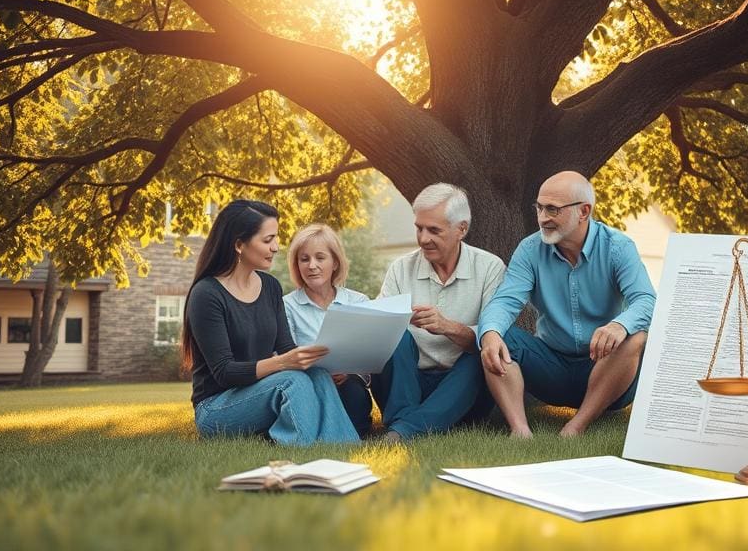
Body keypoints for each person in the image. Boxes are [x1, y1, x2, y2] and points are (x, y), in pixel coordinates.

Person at [478, 171, 656, 438]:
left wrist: (619, 325)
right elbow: (504, 301)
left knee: (635, 336)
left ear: (584, 211)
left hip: (608, 373)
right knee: (497, 336)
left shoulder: (618, 248)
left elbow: (647, 300)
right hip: (552, 370)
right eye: (539, 208)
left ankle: (576, 427)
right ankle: (520, 430)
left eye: (552, 209)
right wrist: (490, 333)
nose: (542, 218)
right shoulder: (529, 250)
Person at [181, 199, 358, 445]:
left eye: (276, 238)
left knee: (318, 374)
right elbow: (224, 372)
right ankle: (301, 451)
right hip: (217, 407)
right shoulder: (207, 294)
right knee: (291, 380)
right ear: (239, 245)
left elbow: (286, 347)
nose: (276, 247)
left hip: (260, 391)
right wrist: (282, 363)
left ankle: (343, 448)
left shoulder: (270, 287)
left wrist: (322, 361)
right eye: (267, 240)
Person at [373, 183, 505, 441]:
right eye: (419, 228)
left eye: (434, 230)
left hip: (462, 390)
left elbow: (495, 338)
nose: (423, 238)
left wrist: (448, 327)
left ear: (462, 229)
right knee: (394, 334)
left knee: (481, 351)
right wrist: (391, 321)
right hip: (409, 384)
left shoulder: (490, 268)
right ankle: (410, 422)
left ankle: (404, 429)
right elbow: (377, 334)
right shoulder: (401, 268)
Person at [282, 223, 373, 437]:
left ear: (335, 263)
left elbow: (371, 356)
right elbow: (283, 357)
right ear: (297, 265)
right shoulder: (285, 306)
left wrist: (351, 372)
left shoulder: (358, 301)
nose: (312, 265)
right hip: (309, 386)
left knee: (354, 395)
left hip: (348, 385)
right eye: (304, 259)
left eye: (320, 258)